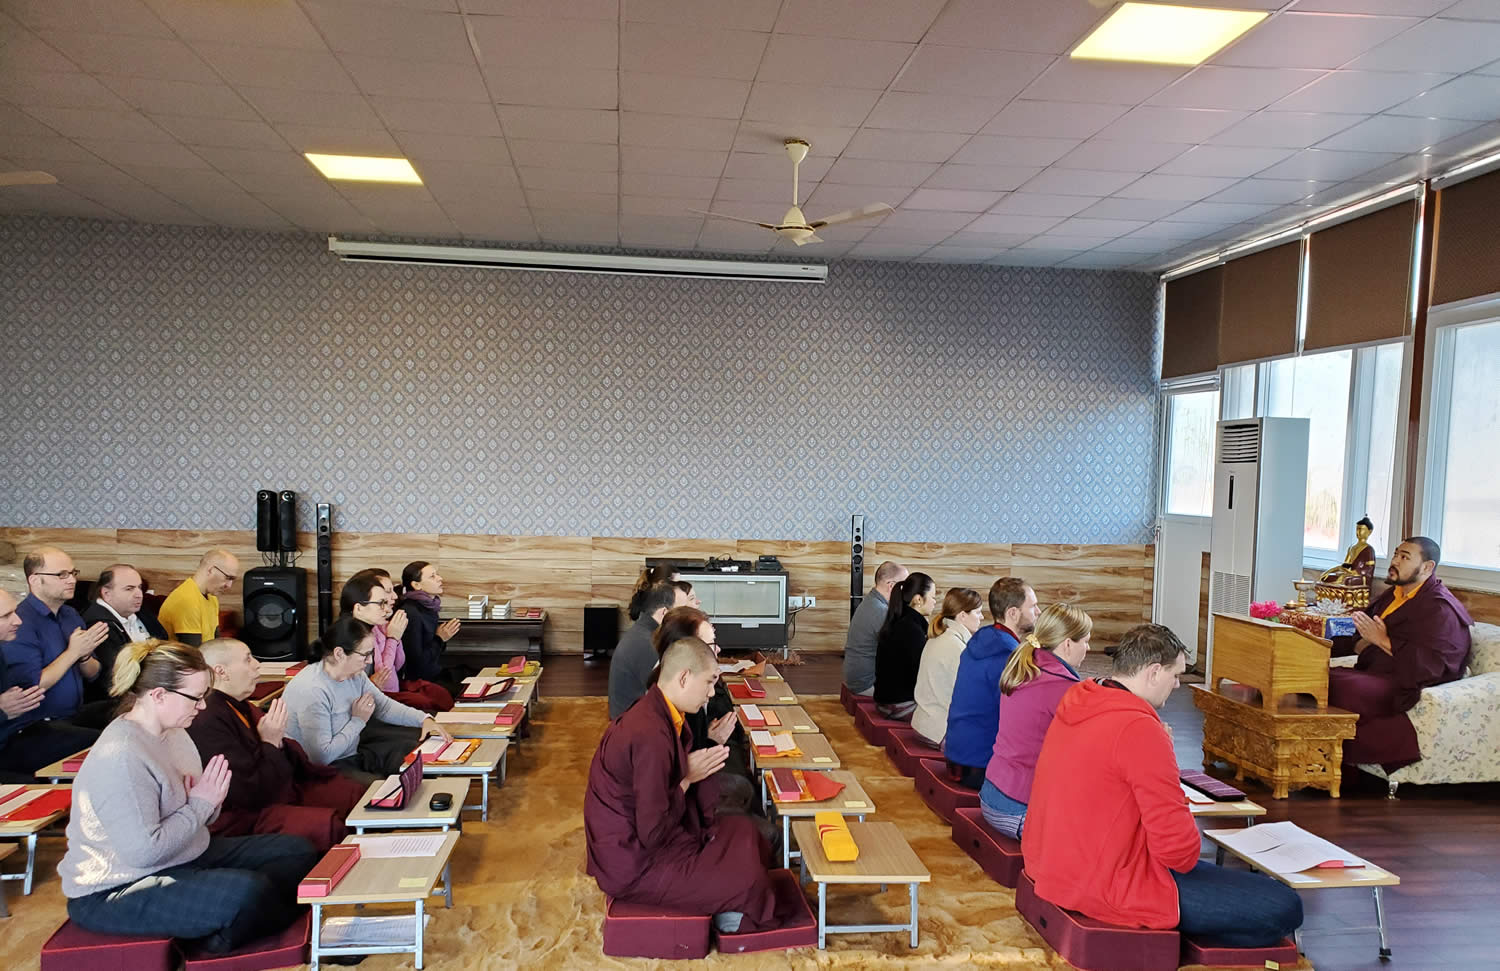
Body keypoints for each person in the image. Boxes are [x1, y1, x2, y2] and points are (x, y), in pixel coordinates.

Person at [1024, 624, 1302, 948]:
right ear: (1154, 672)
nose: (1178, 684)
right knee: (1284, 904)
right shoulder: (1138, 728)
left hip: (1052, 864)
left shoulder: (1079, 698)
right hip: (1107, 884)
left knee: (1238, 893)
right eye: (1176, 675)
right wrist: (1165, 757)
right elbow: (1180, 854)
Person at [58, 639, 318, 952]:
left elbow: (198, 811)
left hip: (181, 853)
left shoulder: (175, 731)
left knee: (295, 852)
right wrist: (200, 805)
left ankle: (263, 920)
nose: (203, 706)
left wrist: (209, 802)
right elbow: (144, 853)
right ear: (158, 695)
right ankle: (207, 947)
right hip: (116, 887)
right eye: (195, 698)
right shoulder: (122, 756)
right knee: (248, 892)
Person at [585, 636, 787, 934]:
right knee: (747, 881)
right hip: (635, 862)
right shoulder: (649, 732)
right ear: (683, 678)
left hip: (656, 837)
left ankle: (724, 898)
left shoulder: (661, 712)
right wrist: (687, 779)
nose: (711, 693)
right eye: (709, 682)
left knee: (746, 831)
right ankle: (731, 913)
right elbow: (652, 831)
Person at [189, 638, 367, 853]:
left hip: (279, 787)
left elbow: (285, 754)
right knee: (325, 826)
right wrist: (271, 743)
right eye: (248, 659)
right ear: (221, 672)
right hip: (245, 814)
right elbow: (244, 790)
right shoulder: (207, 719)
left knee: (354, 794)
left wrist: (277, 742)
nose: (257, 665)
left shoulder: (240, 706)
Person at [1329, 536, 1473, 770]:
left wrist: (1382, 641)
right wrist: (1365, 642)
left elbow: (1435, 666)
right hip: (1374, 672)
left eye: (1405, 557)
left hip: (1404, 684)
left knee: (1337, 686)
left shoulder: (1440, 608)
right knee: (1315, 678)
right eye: (1395, 554)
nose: (1394, 561)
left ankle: (1338, 765)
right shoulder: (1394, 595)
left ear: (1427, 567)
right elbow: (1361, 637)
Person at [282, 615, 451, 782]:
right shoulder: (313, 690)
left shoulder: (355, 675)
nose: (370, 661)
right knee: (379, 787)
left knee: (413, 752)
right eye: (365, 655)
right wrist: (358, 721)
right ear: (339, 653)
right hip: (321, 769)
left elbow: (384, 707)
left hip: (351, 754)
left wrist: (423, 719)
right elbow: (321, 757)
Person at [980, 603, 1091, 838]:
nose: (1088, 648)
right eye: (1086, 641)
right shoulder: (1064, 687)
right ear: (1067, 644)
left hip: (991, 794)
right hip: (1018, 810)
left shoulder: (1027, 666)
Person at [651, 606, 753, 814]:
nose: (718, 650)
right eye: (711, 644)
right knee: (742, 790)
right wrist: (711, 743)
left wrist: (710, 740)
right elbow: (660, 803)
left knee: (746, 789)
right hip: (678, 807)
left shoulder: (675, 683)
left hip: (682, 796)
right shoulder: (673, 699)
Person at [943, 577, 1039, 788]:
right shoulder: (1007, 655)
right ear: (1013, 613)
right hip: (977, 765)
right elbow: (1020, 718)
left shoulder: (982, 638)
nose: (1038, 612)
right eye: (1033, 606)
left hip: (957, 754)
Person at [0, 588, 99, 781]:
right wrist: (2, 711)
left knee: (101, 739)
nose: (18, 621)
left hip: (21, 729)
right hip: (10, 741)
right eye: (6, 616)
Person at [6, 547, 110, 730]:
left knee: (127, 712)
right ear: (35, 580)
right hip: (38, 724)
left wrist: (84, 656)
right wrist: (73, 653)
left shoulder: (71, 614)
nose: (72, 580)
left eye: (73, 573)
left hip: (75, 713)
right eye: (62, 575)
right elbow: (32, 687)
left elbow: (93, 674)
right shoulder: (19, 622)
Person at [342, 570, 452, 712]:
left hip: (392, 684)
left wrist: (395, 638)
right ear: (358, 608)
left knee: (438, 693)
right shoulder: (351, 636)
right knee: (425, 702)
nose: (394, 596)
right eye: (383, 598)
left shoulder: (379, 625)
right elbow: (382, 678)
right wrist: (393, 639)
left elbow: (399, 665)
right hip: (371, 697)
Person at [80, 563, 167, 705]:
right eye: (129, 589)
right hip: (120, 701)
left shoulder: (139, 611)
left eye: (139, 587)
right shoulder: (97, 625)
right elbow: (114, 676)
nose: (139, 594)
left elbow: (164, 641)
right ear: (106, 593)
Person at [911, 587, 983, 747]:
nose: (982, 617)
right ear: (962, 615)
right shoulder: (957, 647)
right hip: (939, 731)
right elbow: (967, 699)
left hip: (923, 723)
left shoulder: (939, 636)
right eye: (978, 612)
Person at [608, 581, 687, 719]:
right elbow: (668, 695)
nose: (684, 616)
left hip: (628, 712)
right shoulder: (647, 643)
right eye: (680, 611)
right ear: (664, 612)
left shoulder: (642, 631)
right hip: (630, 721)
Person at [873, 572, 937, 720]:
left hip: (884, 701)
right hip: (898, 705)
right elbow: (921, 676)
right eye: (933, 597)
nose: (935, 602)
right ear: (918, 599)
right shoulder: (911, 630)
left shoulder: (899, 620)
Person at [843, 560, 907, 696]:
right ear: (891, 585)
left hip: (856, 677)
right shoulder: (880, 610)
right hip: (866, 683)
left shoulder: (872, 600)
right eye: (904, 586)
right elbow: (901, 650)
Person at [394, 561, 461, 686]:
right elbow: (417, 664)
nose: (440, 578)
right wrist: (440, 638)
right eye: (432, 576)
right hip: (420, 682)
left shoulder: (428, 607)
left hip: (434, 673)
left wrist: (441, 639)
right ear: (416, 585)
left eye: (437, 574)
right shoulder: (411, 613)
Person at [158, 550, 239, 646]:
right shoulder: (187, 600)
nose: (229, 585)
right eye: (228, 578)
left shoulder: (211, 597)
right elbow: (193, 652)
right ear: (210, 570)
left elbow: (216, 642)